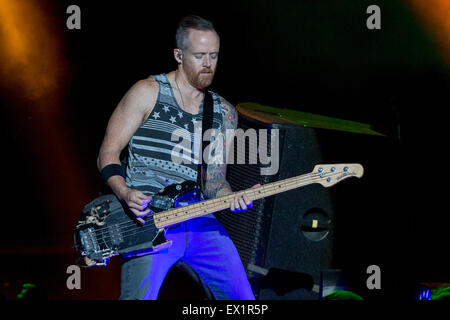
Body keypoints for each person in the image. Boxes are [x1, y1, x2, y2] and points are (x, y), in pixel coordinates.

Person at [97, 15, 257, 300]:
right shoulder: (147, 92)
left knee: (243, 300)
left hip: (199, 219)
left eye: (214, 56)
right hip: (149, 221)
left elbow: (215, 182)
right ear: (178, 55)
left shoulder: (225, 113)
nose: (208, 63)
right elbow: (107, 153)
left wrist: (234, 198)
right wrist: (124, 192)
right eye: (199, 56)